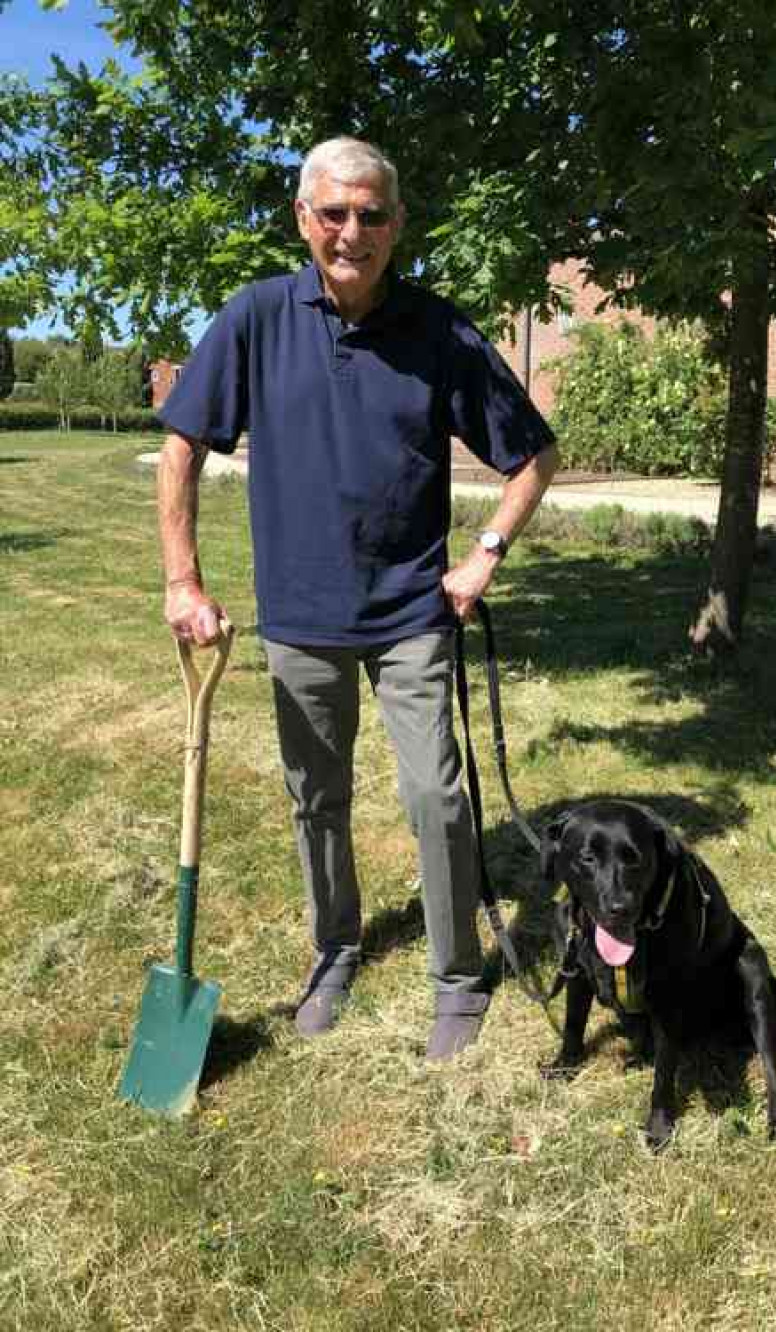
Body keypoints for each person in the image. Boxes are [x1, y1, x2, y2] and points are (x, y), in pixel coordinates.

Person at [156, 136, 559, 1060]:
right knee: (316, 798)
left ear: (397, 223)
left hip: (412, 607)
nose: (353, 232)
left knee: (437, 795)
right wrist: (184, 580)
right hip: (300, 614)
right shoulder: (257, 318)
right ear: (304, 220)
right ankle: (335, 948)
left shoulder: (439, 332)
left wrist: (484, 555)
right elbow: (182, 447)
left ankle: (457, 975)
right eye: (333, 213)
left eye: (372, 214)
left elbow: (534, 455)